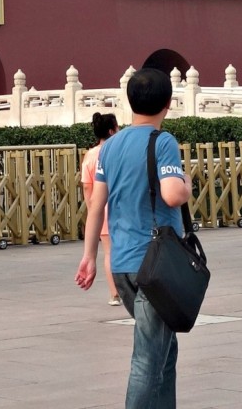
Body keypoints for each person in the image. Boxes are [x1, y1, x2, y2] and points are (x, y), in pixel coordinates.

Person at [75, 68, 192, 409]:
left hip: (124, 266)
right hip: (156, 265)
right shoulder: (163, 141)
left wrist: (89, 256)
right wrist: (186, 183)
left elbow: (97, 206)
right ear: (168, 104)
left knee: (164, 350)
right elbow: (172, 195)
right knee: (147, 358)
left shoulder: (110, 147)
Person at [80, 111, 120, 306]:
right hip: (118, 205)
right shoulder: (116, 151)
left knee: (108, 252)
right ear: (112, 130)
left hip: (99, 208)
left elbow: (87, 185)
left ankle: (114, 293)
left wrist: (91, 209)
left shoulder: (90, 155)